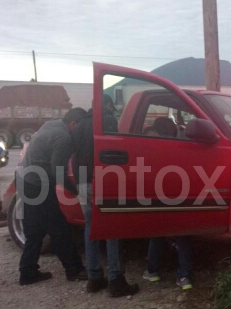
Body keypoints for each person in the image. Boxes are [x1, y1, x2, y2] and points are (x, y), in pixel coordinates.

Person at [72, 96, 139, 297]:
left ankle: (94, 278)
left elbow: (74, 155)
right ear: (107, 106)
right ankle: (116, 280)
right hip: (99, 180)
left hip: (82, 182)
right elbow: (114, 151)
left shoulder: (80, 124)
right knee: (112, 229)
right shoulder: (106, 121)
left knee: (90, 229)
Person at [17, 108, 88, 285]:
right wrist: (77, 190)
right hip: (40, 186)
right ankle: (75, 270)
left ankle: (27, 272)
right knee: (60, 229)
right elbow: (58, 171)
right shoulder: (63, 137)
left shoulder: (50, 124)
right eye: (80, 127)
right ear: (73, 124)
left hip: (26, 181)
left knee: (34, 230)